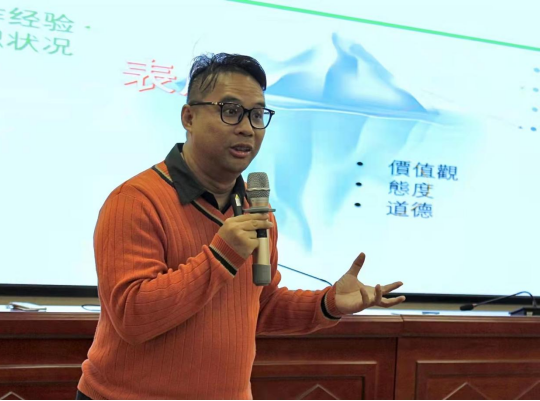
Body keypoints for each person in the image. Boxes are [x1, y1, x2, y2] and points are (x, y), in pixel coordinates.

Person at [77, 53, 406, 400]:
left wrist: (327, 304)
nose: (247, 128)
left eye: (257, 115)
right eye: (230, 110)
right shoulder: (136, 200)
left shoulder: (255, 207)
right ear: (188, 117)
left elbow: (260, 306)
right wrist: (220, 258)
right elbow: (133, 318)